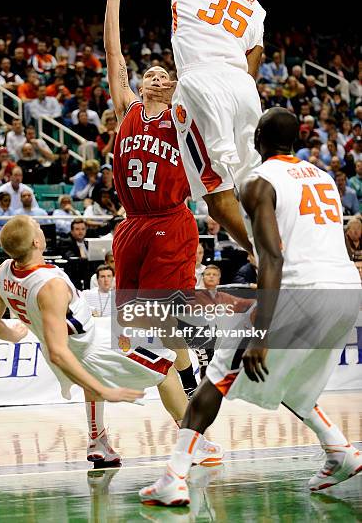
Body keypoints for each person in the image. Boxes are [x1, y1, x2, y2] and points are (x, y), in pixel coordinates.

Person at [140, 107, 361, 505]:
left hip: (300, 290)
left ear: (258, 137)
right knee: (291, 381)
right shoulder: (324, 177)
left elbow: (271, 258)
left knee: (216, 380)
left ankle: (174, 476)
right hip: (346, 291)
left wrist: (261, 331)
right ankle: (339, 449)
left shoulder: (259, 182)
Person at [0, 215, 214, 465]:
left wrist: (15, 335)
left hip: (74, 346)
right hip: (86, 349)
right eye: (37, 228)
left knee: (90, 379)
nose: (41, 228)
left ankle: (98, 441)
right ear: (36, 243)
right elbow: (59, 352)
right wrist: (107, 390)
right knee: (166, 367)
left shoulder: (3, 271)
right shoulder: (49, 286)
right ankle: (193, 444)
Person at [93, 0, 202, 408]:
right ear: (140, 84)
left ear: (174, 85)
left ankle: (187, 384)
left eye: (165, 75)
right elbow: (112, 52)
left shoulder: (183, 116)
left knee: (155, 324)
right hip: (132, 224)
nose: (158, 77)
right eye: (151, 74)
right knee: (138, 326)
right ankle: (189, 378)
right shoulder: (127, 112)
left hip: (169, 221)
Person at [154, 0, 266, 253]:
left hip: (202, 83)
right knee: (252, 181)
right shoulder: (255, 8)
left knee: (215, 195)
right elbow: (253, 64)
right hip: (244, 90)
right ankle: (283, 243)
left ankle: (265, 255)